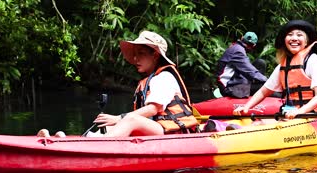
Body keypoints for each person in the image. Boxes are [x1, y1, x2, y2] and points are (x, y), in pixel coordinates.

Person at [37, 31, 198, 138]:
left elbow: (153, 109)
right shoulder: (150, 80)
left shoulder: (164, 78)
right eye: (135, 55)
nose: (135, 59)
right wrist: (117, 121)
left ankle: (96, 143)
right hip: (159, 128)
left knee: (131, 120)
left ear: (155, 55)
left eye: (141, 54)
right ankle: (67, 140)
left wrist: (118, 118)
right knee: (113, 126)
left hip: (173, 132)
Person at [233, 20, 317, 119]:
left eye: (299, 35)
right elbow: (264, 92)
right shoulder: (283, 66)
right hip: (293, 115)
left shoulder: (314, 61)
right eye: (290, 35)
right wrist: (246, 107)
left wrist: (299, 112)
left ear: (306, 42)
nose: (294, 38)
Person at [216, 31, 269, 98]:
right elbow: (251, 72)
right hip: (228, 88)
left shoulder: (236, 47)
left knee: (260, 63)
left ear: (241, 38)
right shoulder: (238, 51)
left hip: (235, 80)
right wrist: (269, 82)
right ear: (253, 46)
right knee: (264, 87)